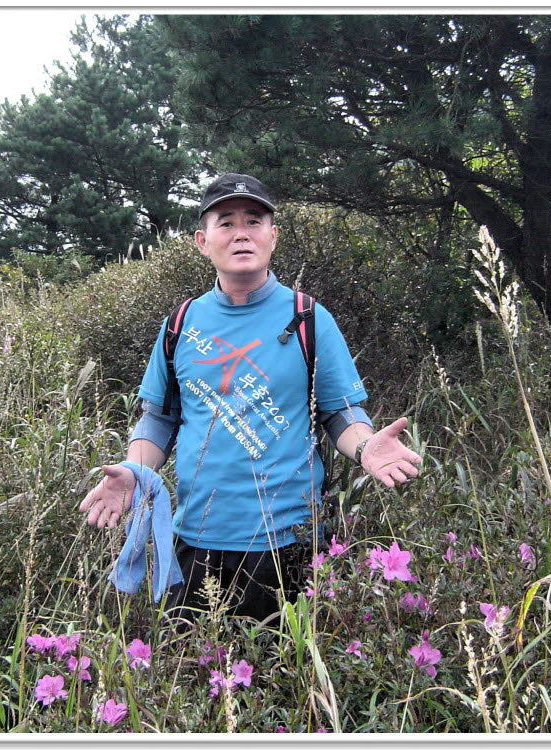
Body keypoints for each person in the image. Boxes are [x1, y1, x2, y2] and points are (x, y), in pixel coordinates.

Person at [79, 173, 421, 622]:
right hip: (195, 537)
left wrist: (364, 446)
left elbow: (339, 412)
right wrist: (136, 472)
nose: (241, 233)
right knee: (194, 662)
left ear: (273, 236)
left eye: (254, 221)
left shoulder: (309, 318)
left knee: (282, 666)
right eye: (226, 222)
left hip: (289, 541)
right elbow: (159, 417)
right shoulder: (181, 323)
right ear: (203, 241)